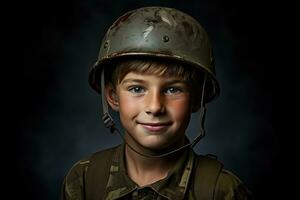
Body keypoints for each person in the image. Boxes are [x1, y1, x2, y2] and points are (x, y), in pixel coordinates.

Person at [61, 6, 251, 200]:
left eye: (172, 89)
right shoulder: (85, 179)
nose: (154, 107)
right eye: (137, 89)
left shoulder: (221, 190)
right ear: (112, 96)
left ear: (196, 100)